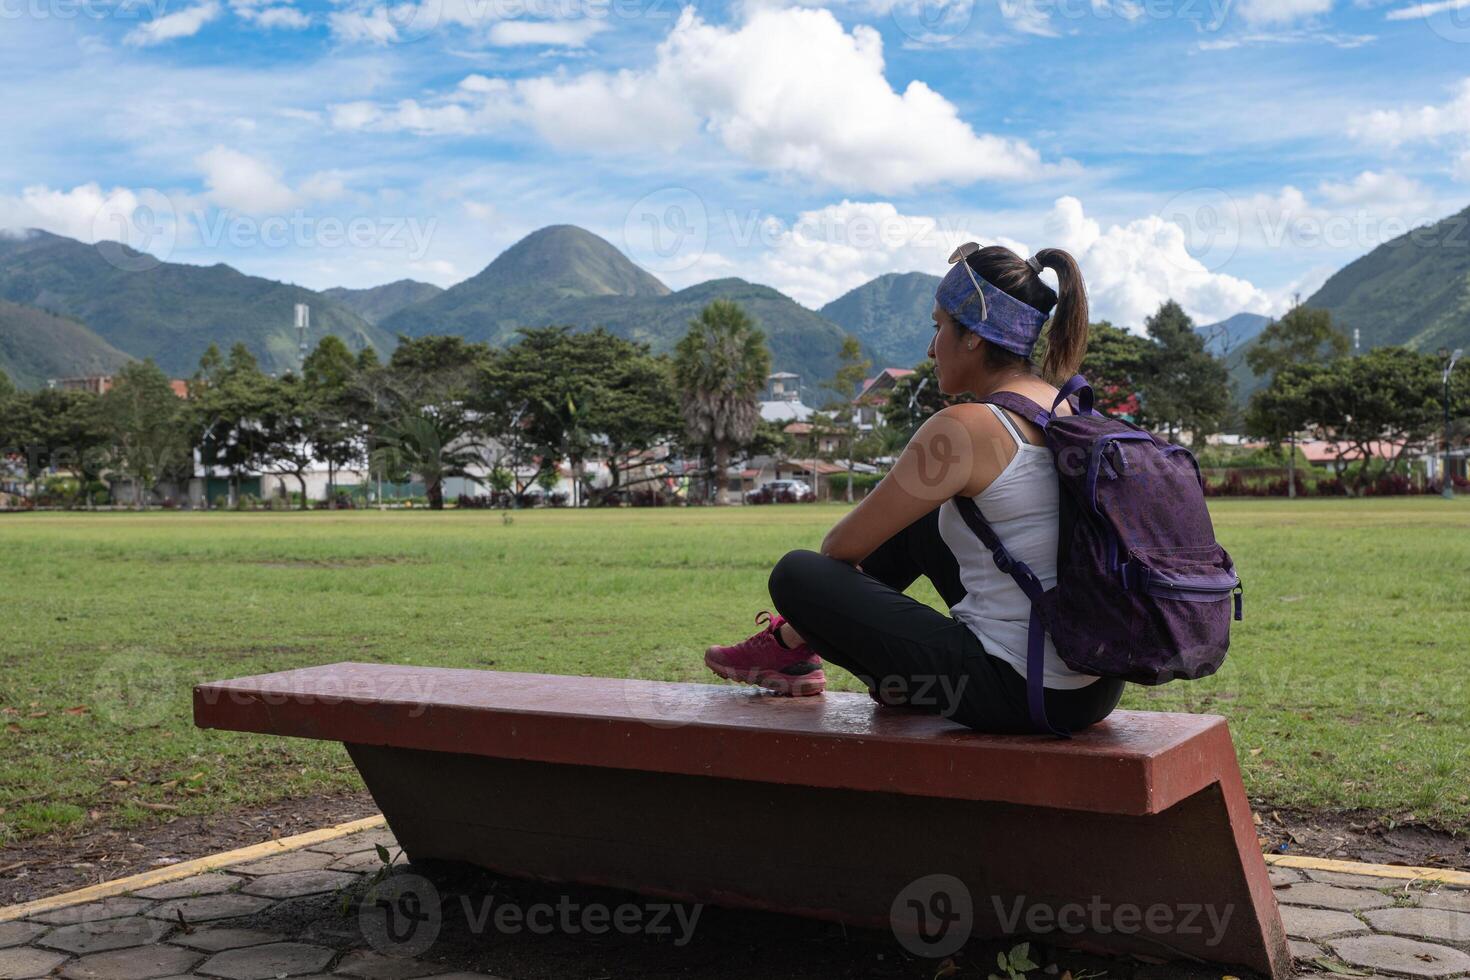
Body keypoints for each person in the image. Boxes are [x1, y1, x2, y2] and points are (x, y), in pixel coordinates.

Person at [702, 243, 1126, 734]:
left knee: (798, 575)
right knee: (926, 518)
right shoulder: (1069, 407)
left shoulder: (965, 427)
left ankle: (815, 651)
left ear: (972, 336)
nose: (931, 348)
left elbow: (839, 548)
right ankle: (797, 649)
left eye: (938, 326)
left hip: (1024, 692)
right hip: (1094, 686)